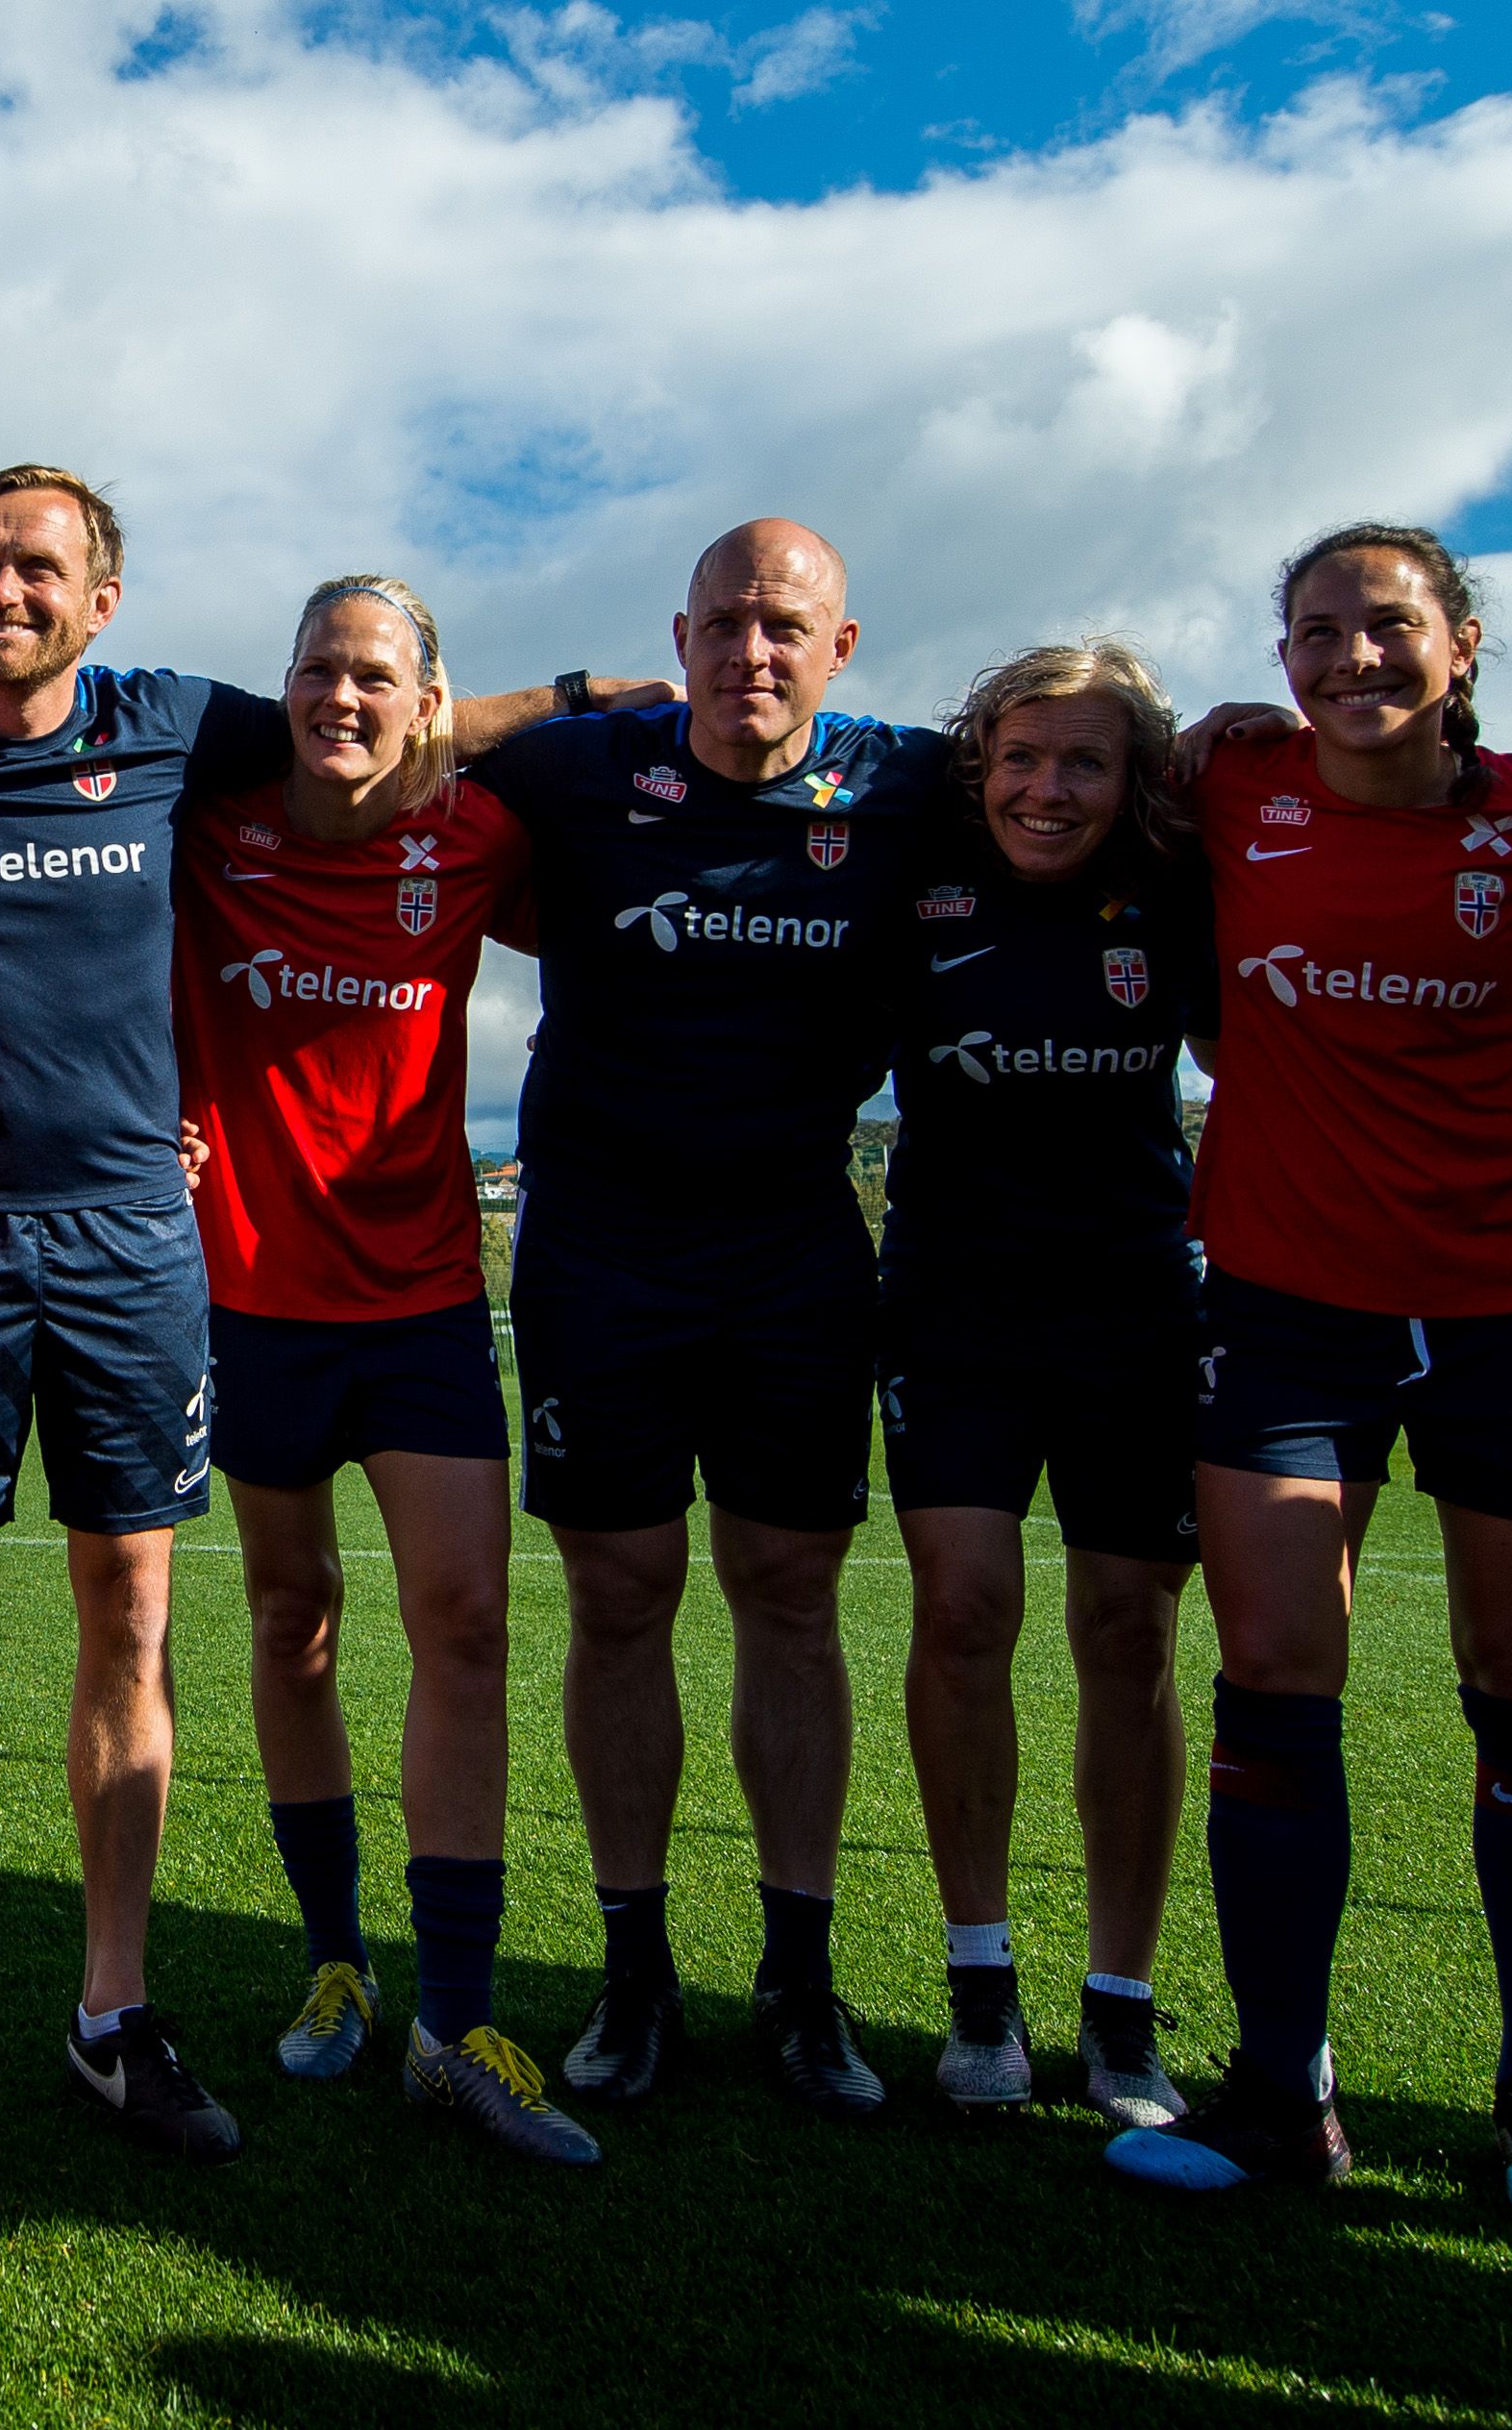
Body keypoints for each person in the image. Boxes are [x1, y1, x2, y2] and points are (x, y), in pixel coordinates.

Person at [0, 467, 624, 2167]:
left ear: (102, 603)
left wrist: (589, 693)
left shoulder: (174, 725)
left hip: (129, 1245)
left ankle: (115, 2015)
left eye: (39, 567)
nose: (3, 590)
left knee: (134, 1613)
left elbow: (381, 731)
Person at [1107, 524, 1512, 2245]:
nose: (1352, 658)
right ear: (1282, 659)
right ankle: (1282, 2096)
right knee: (1273, 1671)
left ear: (1463, 642)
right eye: (1318, 630)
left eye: (1389, 625)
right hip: (1284, 1305)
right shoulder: (1231, 782)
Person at [459, 519, 944, 2120]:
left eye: (785, 626)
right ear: (680, 639)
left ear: (840, 648)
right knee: (621, 1597)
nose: (752, 651)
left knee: (791, 1598)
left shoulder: (903, 782)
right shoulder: (587, 767)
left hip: (796, 1250)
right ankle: (634, 1970)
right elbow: (392, 734)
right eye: (723, 623)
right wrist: (568, 691)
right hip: (601, 1249)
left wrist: (1221, 738)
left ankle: (800, 1980)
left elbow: (1090, 779)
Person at [170, 575, 593, 2166]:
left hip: (420, 1299)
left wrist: (588, 693)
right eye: (315, 669)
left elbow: (581, 774)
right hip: (253, 1297)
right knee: (293, 1620)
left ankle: (454, 2021)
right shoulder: (207, 827)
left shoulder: (475, 835)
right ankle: (336, 1961)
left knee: (464, 1621)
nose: (338, 698)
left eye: (373, 676)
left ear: (427, 703)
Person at [878, 641, 1207, 2127]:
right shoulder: (922, 872)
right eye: (1021, 757)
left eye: (1085, 760)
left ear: (1134, 779)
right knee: (963, 1610)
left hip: (1135, 1305)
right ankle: (980, 1982)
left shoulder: (1176, 890)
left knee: (1129, 1632)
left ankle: (1122, 2005)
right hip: (955, 1305)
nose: (1047, 789)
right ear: (980, 766)